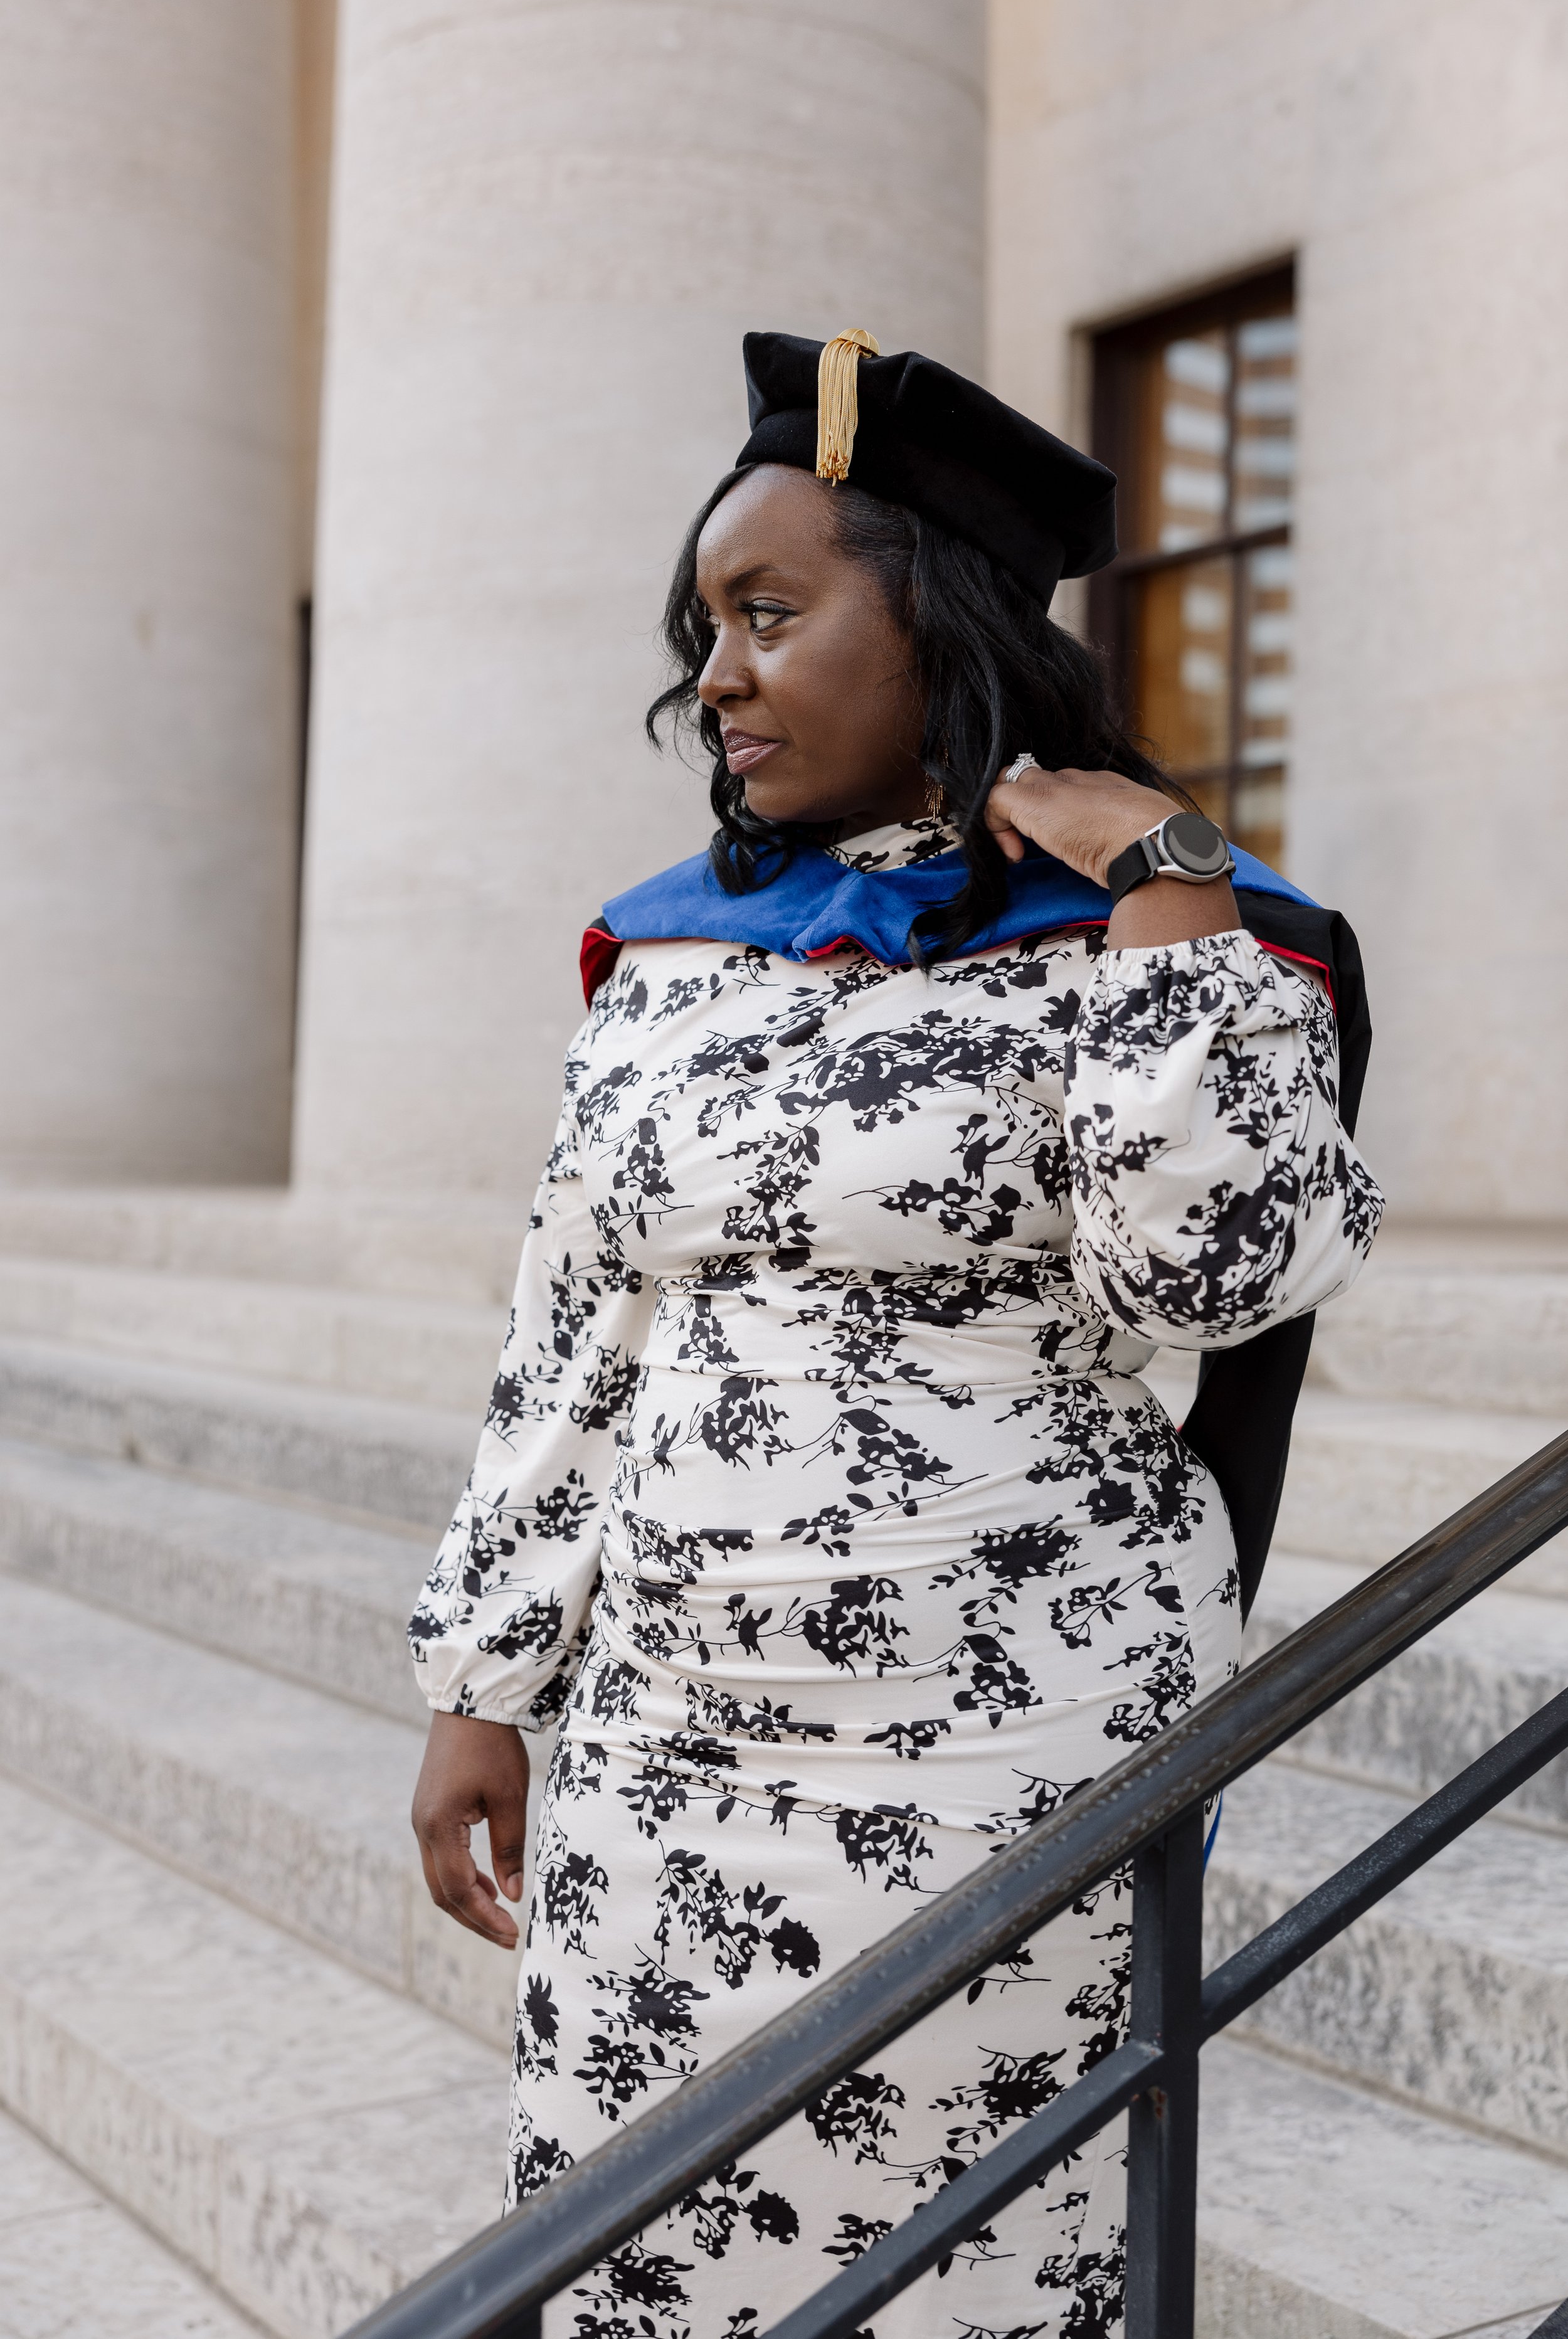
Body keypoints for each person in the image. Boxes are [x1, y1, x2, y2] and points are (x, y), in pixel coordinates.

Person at [408, 330, 1384, 2338]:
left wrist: (1169, 903)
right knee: (643, 2240)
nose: (720, 677)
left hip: (999, 1747)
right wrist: (482, 1677)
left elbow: (1211, 1283)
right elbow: (574, 1324)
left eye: (770, 614)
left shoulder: (1189, 935)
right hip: (663, 1753)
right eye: (705, 628)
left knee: (967, 2261)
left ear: (934, 620)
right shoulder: (672, 944)